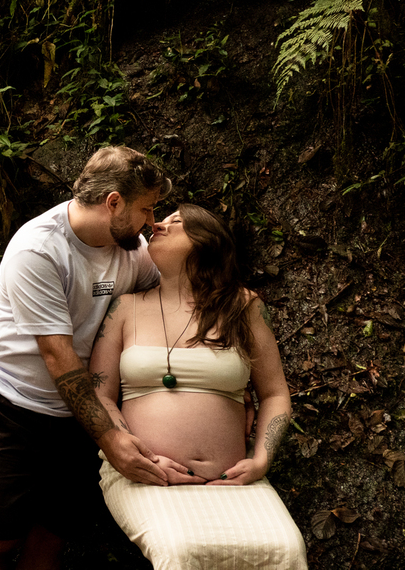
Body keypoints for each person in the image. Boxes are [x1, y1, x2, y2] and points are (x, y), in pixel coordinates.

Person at [0, 146, 173, 570]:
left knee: (53, 534)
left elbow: (166, 300)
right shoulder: (39, 250)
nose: (152, 222)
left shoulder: (131, 249)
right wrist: (111, 441)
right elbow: (58, 356)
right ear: (113, 202)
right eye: (146, 209)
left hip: (81, 413)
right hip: (13, 404)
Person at [89, 204, 308, 569]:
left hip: (231, 481)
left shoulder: (243, 307)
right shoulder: (124, 308)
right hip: (146, 476)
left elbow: (274, 394)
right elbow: (99, 396)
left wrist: (261, 461)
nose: (158, 224)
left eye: (176, 221)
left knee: (286, 549)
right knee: (179, 553)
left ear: (207, 242)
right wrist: (132, 454)